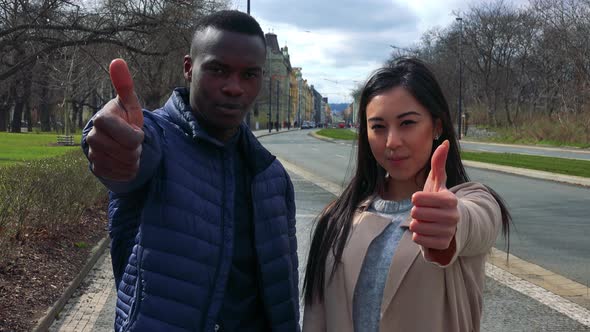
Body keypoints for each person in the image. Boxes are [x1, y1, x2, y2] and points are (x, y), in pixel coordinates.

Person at [82, 10, 300, 332]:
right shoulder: (157, 141)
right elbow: (130, 152)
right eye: (218, 70)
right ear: (188, 68)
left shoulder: (272, 177)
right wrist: (109, 145)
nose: (234, 88)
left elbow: (284, 297)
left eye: (249, 75)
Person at [302, 58, 511, 332]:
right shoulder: (336, 218)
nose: (392, 142)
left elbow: (475, 222)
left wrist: (448, 222)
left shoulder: (471, 201)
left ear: (437, 126)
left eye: (407, 123)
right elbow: (316, 318)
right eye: (378, 127)